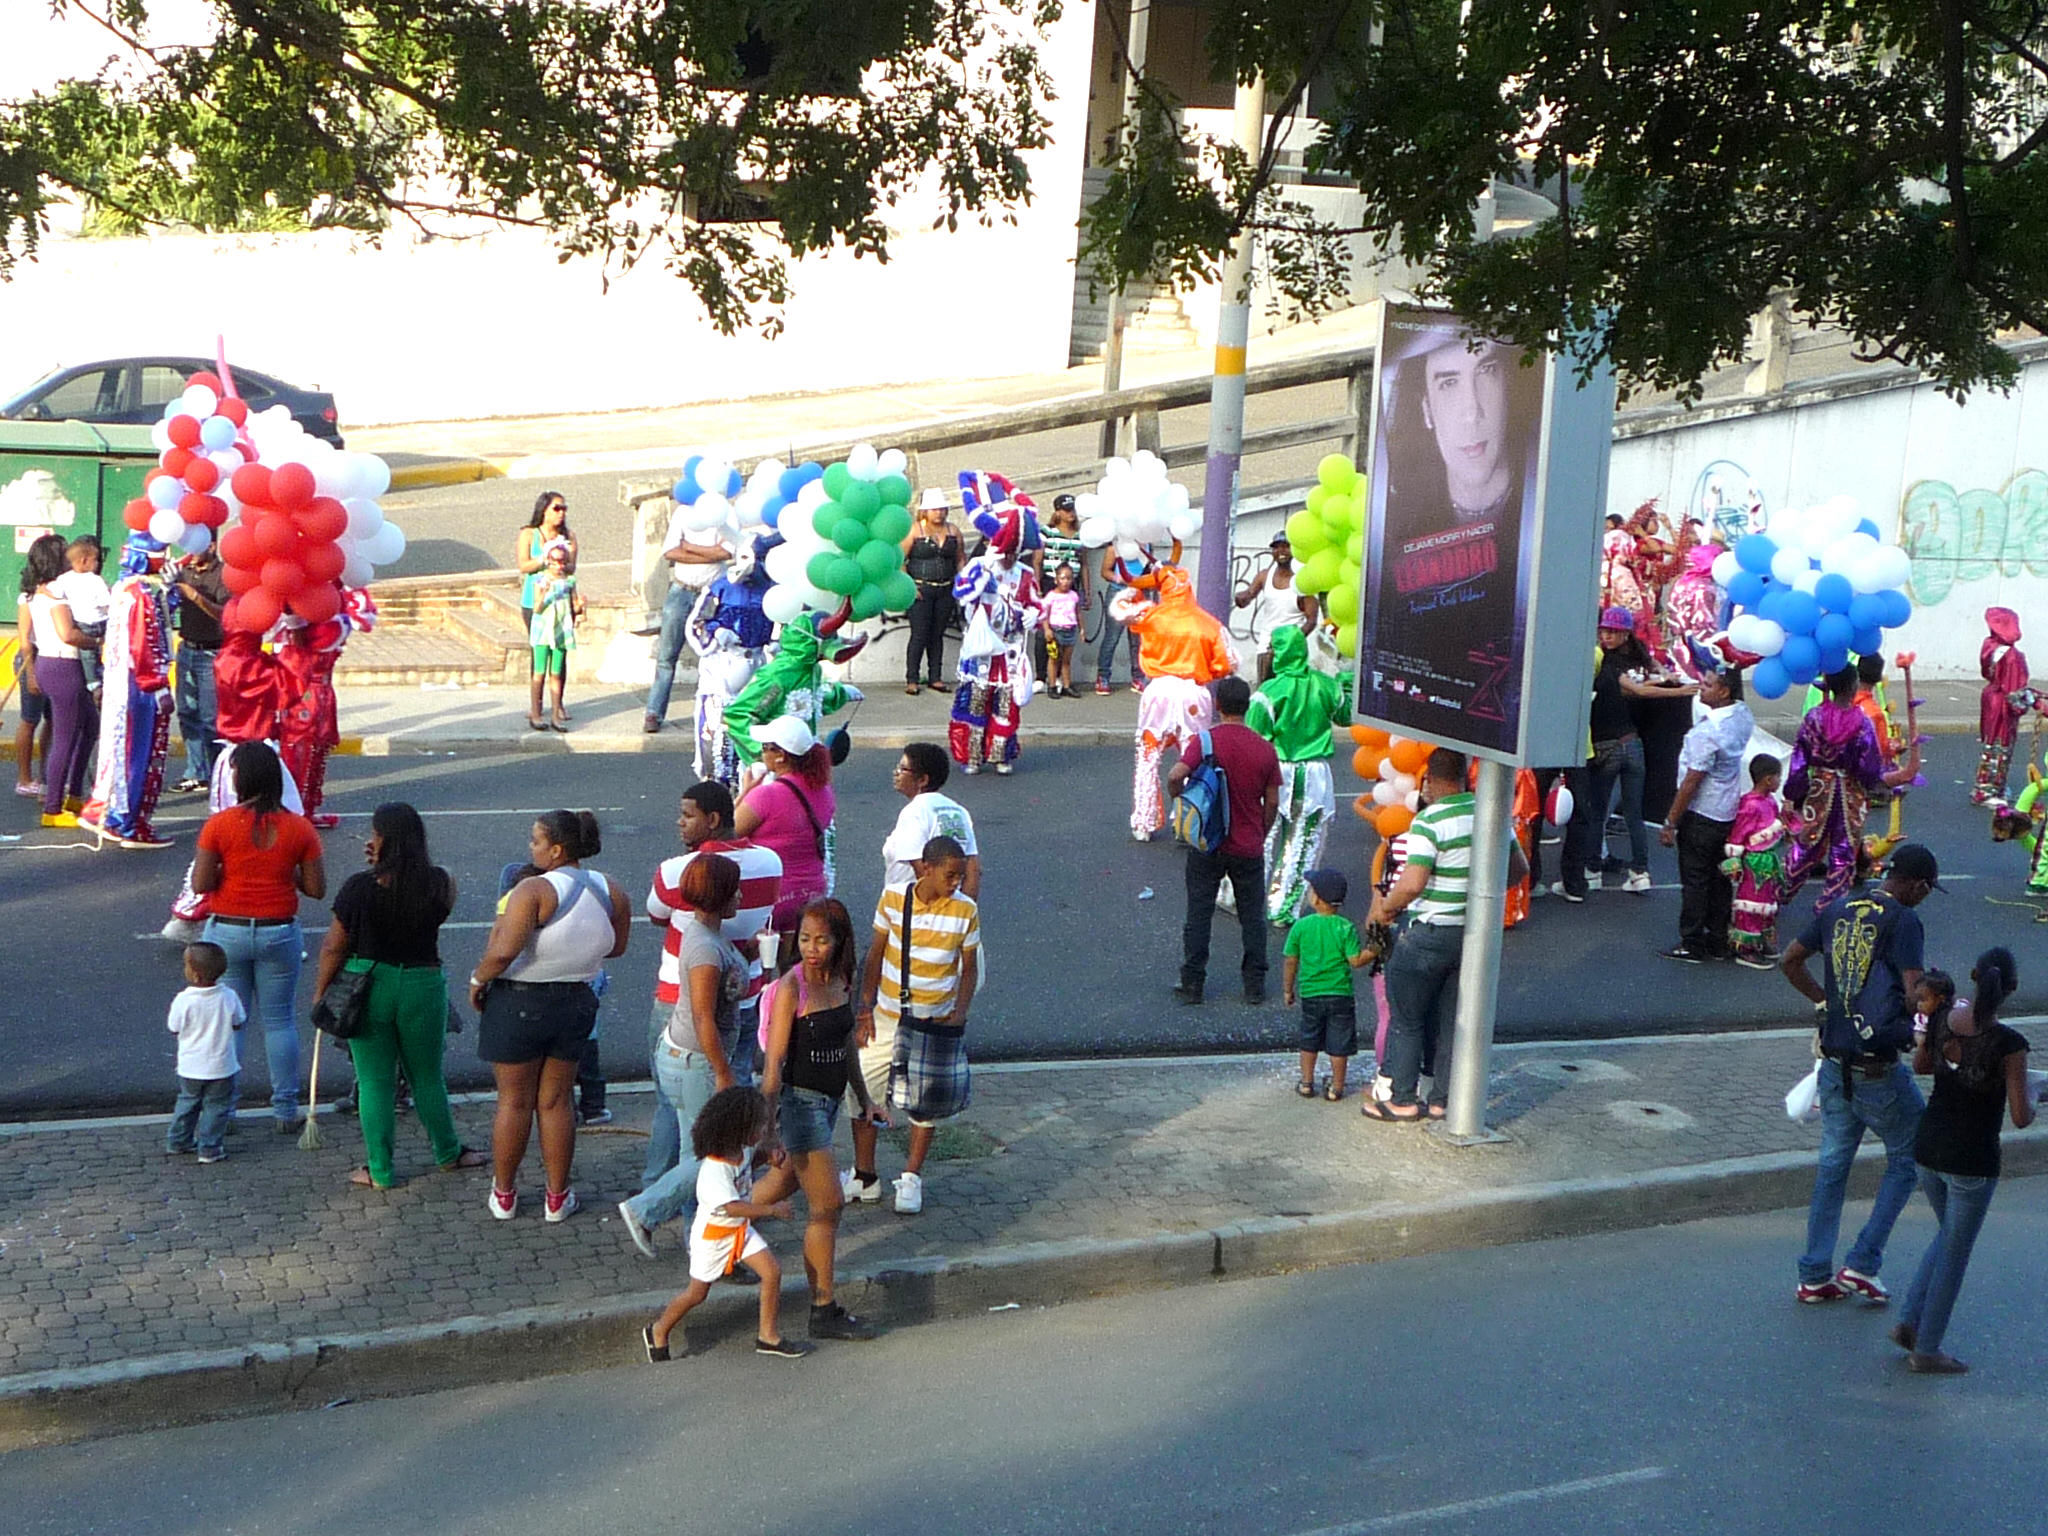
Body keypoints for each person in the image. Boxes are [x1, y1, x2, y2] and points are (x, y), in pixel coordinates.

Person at [1366, 328, 1543, 747]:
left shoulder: (1542, 520)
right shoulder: (1394, 531)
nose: (1472, 411)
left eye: (1487, 373)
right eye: (1449, 383)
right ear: (1426, 411)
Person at [1780, 843, 1939, 1305]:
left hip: (1833, 1065)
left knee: (1832, 1168)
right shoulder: (1903, 920)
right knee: (1911, 1154)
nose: (1924, 897)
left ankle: (1814, 1273)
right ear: (1916, 883)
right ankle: (1863, 1263)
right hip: (1877, 1069)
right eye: (1927, 889)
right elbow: (1914, 995)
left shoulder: (1837, 905)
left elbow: (1789, 959)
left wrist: (1825, 1002)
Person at [313, 802, 486, 1189]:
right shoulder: (441, 883)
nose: (369, 840)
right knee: (426, 1076)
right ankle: (448, 1152)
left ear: (384, 840)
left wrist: (321, 994)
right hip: (423, 985)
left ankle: (380, 1170)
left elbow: (333, 947)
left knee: (374, 1082)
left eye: (374, 834)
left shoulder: (358, 888)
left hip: (368, 984)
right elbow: (433, 908)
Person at [471, 809, 633, 1223]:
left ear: (557, 849)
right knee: (558, 1100)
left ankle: (504, 1195)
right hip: (575, 1001)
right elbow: (615, 946)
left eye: (536, 841)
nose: (531, 847)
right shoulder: (611, 889)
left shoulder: (533, 890)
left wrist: (478, 979)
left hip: (519, 1002)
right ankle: (558, 1198)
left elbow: (504, 950)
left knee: (514, 1101)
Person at [749, 897, 888, 1342]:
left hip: (828, 1104)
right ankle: (823, 1309)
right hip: (800, 1105)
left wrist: (863, 1098)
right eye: (805, 939)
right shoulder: (793, 987)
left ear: (839, 942)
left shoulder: (842, 980)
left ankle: (720, 1232)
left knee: (781, 1184)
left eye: (821, 940)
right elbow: (774, 1066)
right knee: (827, 1206)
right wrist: (769, 1131)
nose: (811, 948)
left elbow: (846, 1045)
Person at [1364, 748, 1526, 1122]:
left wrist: (1386, 908)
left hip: (1428, 933)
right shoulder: (1492, 812)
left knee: (1407, 1018)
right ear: (1467, 775)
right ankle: (1443, 1101)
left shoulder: (1429, 821)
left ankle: (1401, 1100)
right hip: (1470, 936)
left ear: (1430, 781)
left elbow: (1413, 883)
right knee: (1453, 1019)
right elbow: (1518, 870)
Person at [1893, 952, 2033, 1374]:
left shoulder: (1944, 1019)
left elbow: (1921, 1065)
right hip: (1972, 1160)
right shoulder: (2009, 1043)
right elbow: (2021, 1116)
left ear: (1973, 980)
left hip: (1928, 1148)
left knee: (1947, 1235)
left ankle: (1910, 1321)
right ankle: (1928, 1348)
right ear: (2010, 988)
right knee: (1955, 1253)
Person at [642, 783, 781, 1208]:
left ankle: (658, 1195)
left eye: (687, 814)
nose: (680, 822)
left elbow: (654, 914)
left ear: (713, 819)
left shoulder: (677, 872)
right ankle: (678, 1200)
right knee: (718, 1108)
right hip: (745, 995)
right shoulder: (770, 863)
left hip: (678, 1002)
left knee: (677, 1109)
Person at [619, 854, 752, 1253]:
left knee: (693, 1151)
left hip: (684, 1058)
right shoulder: (705, 950)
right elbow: (703, 1017)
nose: (742, 895)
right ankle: (646, 1209)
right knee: (720, 1157)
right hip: (697, 1064)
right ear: (722, 897)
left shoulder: (707, 936)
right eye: (735, 889)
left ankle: (699, 1239)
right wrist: (723, 1072)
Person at [193, 742, 327, 1129]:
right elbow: (316, 889)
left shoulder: (219, 826)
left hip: (227, 931)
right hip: (279, 931)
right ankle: (286, 1109)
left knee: (231, 1022)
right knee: (280, 1021)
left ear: (241, 779)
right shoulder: (299, 828)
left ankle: (225, 1110)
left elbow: (201, 883)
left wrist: (229, 873)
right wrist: (286, 870)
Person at [850, 836, 981, 1215]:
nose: (956, 883)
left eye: (961, 876)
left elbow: (968, 967)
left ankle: (911, 1176)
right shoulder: (893, 898)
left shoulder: (966, 911)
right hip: (888, 1016)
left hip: (934, 1023)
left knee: (926, 1104)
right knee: (864, 1093)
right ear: (926, 868)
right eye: (950, 875)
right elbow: (875, 955)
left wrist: (958, 1014)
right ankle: (865, 1174)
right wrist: (865, 1008)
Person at [639, 1086, 811, 1362]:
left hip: (739, 1231)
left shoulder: (740, 1151)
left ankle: (768, 1335)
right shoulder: (714, 1169)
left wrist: (765, 1157)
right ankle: (658, 1330)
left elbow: (745, 1169)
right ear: (739, 1128)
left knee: (772, 1272)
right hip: (714, 1237)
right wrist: (771, 1209)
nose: (763, 1131)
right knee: (697, 1293)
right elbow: (732, 1207)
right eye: (760, 1126)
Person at [1167, 676, 1281, 1006]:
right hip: (1247, 846)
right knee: (1252, 918)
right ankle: (1254, 985)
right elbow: (1272, 801)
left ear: (1217, 705)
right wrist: (1261, 828)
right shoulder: (1265, 749)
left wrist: (1183, 804)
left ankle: (1193, 984)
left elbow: (1175, 775)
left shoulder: (1203, 743)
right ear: (1247, 707)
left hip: (1207, 844)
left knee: (1198, 914)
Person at [1124, 561, 1238, 840]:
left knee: (1148, 758)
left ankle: (1144, 822)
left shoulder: (1152, 617)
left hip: (1158, 692)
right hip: (1193, 693)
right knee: (1194, 758)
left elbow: (1126, 608)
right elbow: (1229, 663)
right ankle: (1188, 820)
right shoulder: (1208, 622)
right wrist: (1209, 671)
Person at [1583, 608, 1695, 894]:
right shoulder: (1637, 657)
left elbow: (1642, 689)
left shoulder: (1606, 662)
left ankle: (1593, 869)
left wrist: (1677, 688)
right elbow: (1644, 685)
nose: (1605, 635)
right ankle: (1640, 872)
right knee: (1632, 813)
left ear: (1625, 633)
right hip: (1633, 744)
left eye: (1611, 631)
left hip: (1607, 745)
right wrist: (1674, 684)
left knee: (1599, 812)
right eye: (1603, 630)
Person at [1785, 664, 1914, 908]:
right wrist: (1875, 784)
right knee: (1843, 852)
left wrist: (1794, 792)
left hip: (1820, 789)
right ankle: (1830, 907)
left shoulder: (1814, 717)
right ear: (1853, 686)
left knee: (1807, 842)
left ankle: (1779, 891)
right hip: (1850, 792)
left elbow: (1799, 759)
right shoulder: (1862, 723)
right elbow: (1869, 767)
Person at [1246, 623, 1351, 923]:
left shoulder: (1268, 692)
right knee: (1303, 841)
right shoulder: (1325, 685)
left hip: (1274, 771)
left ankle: (1241, 896)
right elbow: (1346, 715)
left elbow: (1255, 738)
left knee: (1261, 835)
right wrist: (1345, 675)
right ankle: (1285, 906)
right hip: (1315, 774)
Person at [79, 534, 178, 850]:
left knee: (120, 749)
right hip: (138, 687)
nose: (166, 557)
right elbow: (142, 645)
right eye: (162, 552)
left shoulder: (126, 588)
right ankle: (127, 823)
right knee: (138, 752)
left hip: (123, 684)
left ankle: (111, 813)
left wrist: (171, 591)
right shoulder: (139, 595)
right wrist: (158, 686)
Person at [1657, 663, 1753, 963]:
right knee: (1721, 878)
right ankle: (1718, 937)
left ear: (1724, 691)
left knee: (1696, 879)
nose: (1701, 687)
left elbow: (1691, 782)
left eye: (1708, 684)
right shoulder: (1742, 716)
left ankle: (1692, 941)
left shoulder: (1709, 731)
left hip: (1702, 813)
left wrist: (1671, 820)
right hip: (1727, 811)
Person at [949, 496, 1044, 775]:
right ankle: (973, 757)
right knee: (976, 702)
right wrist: (980, 569)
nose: (1010, 557)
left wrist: (1034, 615)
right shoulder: (982, 565)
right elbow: (961, 592)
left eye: (1015, 552)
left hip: (1010, 649)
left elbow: (1038, 604)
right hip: (982, 650)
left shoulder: (1025, 575)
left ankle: (1001, 755)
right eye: (1007, 551)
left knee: (1006, 706)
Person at [22, 533, 98, 828]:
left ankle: (75, 794)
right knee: (65, 736)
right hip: (62, 663)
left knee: (89, 726)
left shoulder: (44, 589)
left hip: (55, 664)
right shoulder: (57, 593)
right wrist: (97, 641)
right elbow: (68, 634)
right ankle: (53, 807)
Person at [735, 716, 836, 935]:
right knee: (797, 965)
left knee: (761, 963)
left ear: (780, 756)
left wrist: (745, 792)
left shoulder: (765, 795)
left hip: (772, 895)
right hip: (812, 892)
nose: (762, 753)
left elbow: (726, 833)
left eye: (765, 747)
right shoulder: (823, 790)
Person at [645, 489, 732, 733]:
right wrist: (710, 554)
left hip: (711, 594)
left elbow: (726, 553)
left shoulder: (724, 515)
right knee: (666, 656)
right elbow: (670, 551)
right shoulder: (683, 514)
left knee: (715, 654)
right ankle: (654, 711)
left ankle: (716, 711)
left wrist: (690, 547)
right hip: (681, 590)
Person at [1282, 869, 1370, 1101]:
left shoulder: (1302, 926)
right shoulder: (1345, 927)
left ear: (1317, 898)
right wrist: (1375, 950)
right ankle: (1337, 1087)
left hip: (1311, 993)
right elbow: (1356, 960)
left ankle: (1306, 1082)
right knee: (1339, 1043)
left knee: (1309, 1038)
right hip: (1340, 994)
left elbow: (1291, 960)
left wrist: (1288, 990)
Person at [163, 941, 244, 1164]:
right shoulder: (228, 996)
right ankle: (209, 1148)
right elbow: (238, 1021)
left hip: (191, 1066)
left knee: (188, 1103)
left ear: (195, 974)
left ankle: (179, 1140)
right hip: (222, 1066)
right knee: (217, 1107)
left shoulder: (183, 1000)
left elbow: (174, 1027)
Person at [882, 741, 982, 895]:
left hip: (912, 910)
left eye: (903, 769)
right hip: (952, 907)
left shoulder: (914, 812)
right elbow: (972, 869)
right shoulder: (958, 811)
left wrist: (935, 911)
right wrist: (963, 911)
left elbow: (921, 870)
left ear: (923, 780)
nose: (896, 773)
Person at [169, 543, 229, 792]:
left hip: (211, 651)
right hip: (187, 648)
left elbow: (225, 614)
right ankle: (195, 772)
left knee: (209, 718)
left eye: (196, 546)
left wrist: (195, 597)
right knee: (186, 712)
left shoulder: (223, 574)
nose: (191, 552)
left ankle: (217, 773)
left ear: (212, 546)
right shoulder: (183, 571)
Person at [1724, 754, 1792, 970]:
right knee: (1751, 904)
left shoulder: (1771, 802)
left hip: (1768, 861)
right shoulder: (1750, 805)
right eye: (1778, 778)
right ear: (1767, 780)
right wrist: (1734, 861)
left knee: (1767, 903)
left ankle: (1761, 940)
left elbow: (1774, 828)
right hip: (1754, 863)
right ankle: (1746, 948)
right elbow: (1738, 834)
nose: (1780, 782)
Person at [902, 487, 962, 694]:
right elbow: (901, 560)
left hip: (945, 589)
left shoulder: (953, 531)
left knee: (937, 635)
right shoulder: (915, 531)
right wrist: (909, 586)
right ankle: (912, 678)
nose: (939, 512)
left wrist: (963, 582)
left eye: (942, 509)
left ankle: (935, 676)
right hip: (921, 589)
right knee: (919, 634)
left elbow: (960, 558)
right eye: (934, 509)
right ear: (925, 511)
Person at [1972, 607, 2032, 804]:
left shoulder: (1990, 646)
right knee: (2001, 744)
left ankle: (1986, 785)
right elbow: (2015, 692)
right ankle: (1990, 789)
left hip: (1991, 696)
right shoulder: (2013, 656)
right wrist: (2030, 702)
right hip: (2003, 704)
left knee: (1990, 741)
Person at [1234, 534, 1312, 681]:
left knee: (1290, 693)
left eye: (1286, 546)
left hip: (1292, 652)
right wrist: (1241, 598)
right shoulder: (1264, 576)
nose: (1281, 551)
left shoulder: (1303, 581)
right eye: (1276, 547)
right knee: (1266, 692)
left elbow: (1311, 620)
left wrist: (1291, 641)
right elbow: (1249, 594)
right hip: (1266, 647)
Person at [526, 538, 584, 732]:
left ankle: (555, 715)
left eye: (562, 561)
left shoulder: (568, 581)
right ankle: (535, 713)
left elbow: (574, 604)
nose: (558, 565)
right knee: (539, 673)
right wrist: (543, 593)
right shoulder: (541, 579)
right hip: (543, 629)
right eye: (554, 561)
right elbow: (536, 608)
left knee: (556, 673)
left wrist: (581, 605)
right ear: (547, 560)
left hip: (560, 628)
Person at [515, 490, 578, 656]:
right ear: (544, 510)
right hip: (535, 599)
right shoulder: (528, 534)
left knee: (560, 650)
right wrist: (544, 559)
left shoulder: (568, 536)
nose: (561, 513)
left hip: (561, 599)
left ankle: (557, 681)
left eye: (564, 509)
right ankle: (537, 682)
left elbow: (572, 567)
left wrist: (560, 562)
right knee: (539, 651)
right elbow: (523, 565)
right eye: (556, 509)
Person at [1093, 539, 1150, 695]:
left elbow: (1150, 570)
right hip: (1118, 593)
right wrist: (1120, 578)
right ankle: (1103, 676)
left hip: (1139, 594)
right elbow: (1105, 571)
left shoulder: (1147, 545)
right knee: (1112, 637)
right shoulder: (1115, 546)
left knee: (1137, 639)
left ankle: (1138, 677)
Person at [1041, 563, 1084, 699]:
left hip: (1070, 629)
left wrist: (1082, 628)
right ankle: (1052, 685)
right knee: (1054, 658)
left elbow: (1078, 613)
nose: (1065, 582)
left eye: (1069, 579)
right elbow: (1044, 614)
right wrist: (1047, 629)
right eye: (1063, 578)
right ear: (1056, 580)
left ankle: (1066, 685)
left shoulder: (1074, 596)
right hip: (1056, 630)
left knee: (1066, 660)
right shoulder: (1051, 596)